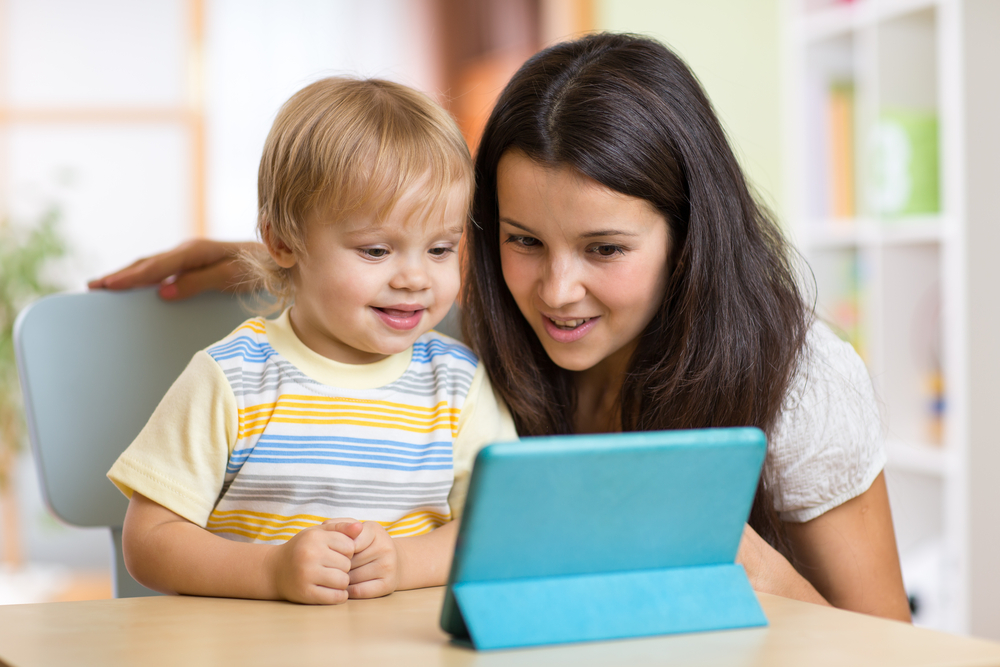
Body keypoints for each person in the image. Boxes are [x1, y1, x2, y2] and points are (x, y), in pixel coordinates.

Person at [93, 34, 911, 621]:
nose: (556, 292)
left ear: (691, 238)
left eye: (605, 249)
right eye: (522, 240)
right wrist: (269, 258)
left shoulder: (800, 380)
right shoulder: (471, 329)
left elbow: (890, 650)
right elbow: (387, 276)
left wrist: (738, 559)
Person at [105, 77, 516, 605]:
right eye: (375, 250)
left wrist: (403, 562)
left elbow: (498, 530)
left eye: (440, 249)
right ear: (281, 241)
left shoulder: (459, 384)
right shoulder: (232, 378)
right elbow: (149, 542)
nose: (416, 278)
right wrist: (271, 570)